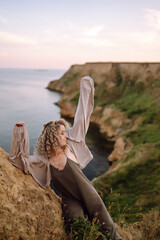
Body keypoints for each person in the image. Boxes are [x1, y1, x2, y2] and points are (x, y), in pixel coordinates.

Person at [9, 76, 122, 240]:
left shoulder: (72, 146)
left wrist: (86, 87)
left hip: (87, 192)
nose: (66, 136)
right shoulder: (44, 161)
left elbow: (83, 115)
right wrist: (20, 132)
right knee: (74, 224)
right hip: (70, 198)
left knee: (104, 221)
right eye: (62, 133)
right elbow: (21, 161)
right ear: (53, 136)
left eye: (66, 132)